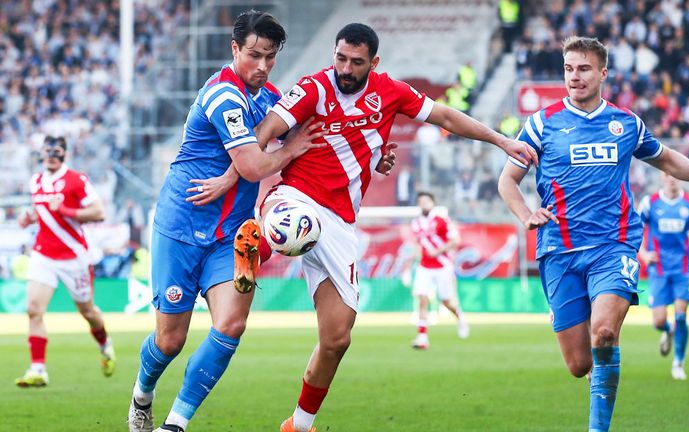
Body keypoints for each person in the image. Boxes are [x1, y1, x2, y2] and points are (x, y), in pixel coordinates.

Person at [190, 22, 536, 432]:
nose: (345, 68)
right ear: (332, 54)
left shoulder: (391, 92)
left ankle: (299, 425)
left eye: (356, 62)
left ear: (374, 62)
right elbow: (264, 134)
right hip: (297, 197)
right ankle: (257, 247)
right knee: (295, 222)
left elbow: (444, 115)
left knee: (337, 339)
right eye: (340, 58)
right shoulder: (313, 88)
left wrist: (502, 141)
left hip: (340, 221)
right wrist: (233, 176)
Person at [497, 36, 689, 432]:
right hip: (558, 249)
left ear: (603, 72)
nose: (575, 76)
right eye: (569, 68)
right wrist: (525, 214)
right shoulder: (541, 124)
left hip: (614, 244)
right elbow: (508, 180)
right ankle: (593, 367)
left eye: (584, 68)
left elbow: (664, 157)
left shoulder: (625, 123)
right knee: (579, 365)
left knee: (604, 332)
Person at [126, 11, 324, 432]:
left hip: (232, 235)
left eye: (270, 57)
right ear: (235, 49)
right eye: (254, 55)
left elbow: (312, 139)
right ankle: (142, 394)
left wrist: (375, 153)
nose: (263, 66)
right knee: (170, 340)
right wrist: (283, 153)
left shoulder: (270, 97)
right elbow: (255, 164)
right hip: (181, 224)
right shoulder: (223, 96)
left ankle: (175, 423)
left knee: (231, 324)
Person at [15, 135, 114, 387]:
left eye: (57, 151)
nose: (51, 155)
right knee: (34, 310)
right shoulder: (35, 181)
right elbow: (44, 213)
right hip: (43, 254)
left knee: (88, 312)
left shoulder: (76, 180)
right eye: (47, 151)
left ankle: (105, 344)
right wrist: (30, 218)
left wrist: (66, 210)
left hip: (74, 257)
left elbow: (99, 212)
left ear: (65, 154)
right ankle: (38, 369)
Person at [637, 173, 689, 380]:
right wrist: (643, 254)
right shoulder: (650, 203)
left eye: (676, 175)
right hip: (658, 268)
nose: (672, 179)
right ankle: (667, 331)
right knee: (659, 321)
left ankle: (678, 363)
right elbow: (635, 231)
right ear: (662, 177)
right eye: (668, 175)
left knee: (681, 315)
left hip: (683, 268)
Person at [409, 191, 468, 349]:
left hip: (442, 265)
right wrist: (409, 266)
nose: (424, 204)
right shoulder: (416, 223)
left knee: (446, 301)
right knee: (422, 298)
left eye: (426, 201)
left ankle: (460, 317)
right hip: (424, 266)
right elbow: (416, 245)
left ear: (433, 203)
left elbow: (456, 240)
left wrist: (438, 251)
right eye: (421, 201)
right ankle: (422, 337)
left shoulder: (442, 219)